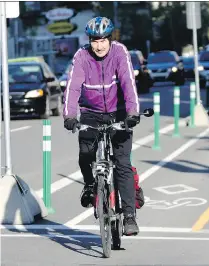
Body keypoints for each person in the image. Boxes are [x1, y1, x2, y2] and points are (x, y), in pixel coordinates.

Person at [62, 17, 140, 236]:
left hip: (119, 112)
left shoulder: (120, 52)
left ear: (110, 38)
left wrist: (133, 113)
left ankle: (129, 216)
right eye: (95, 40)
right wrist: (69, 116)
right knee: (85, 153)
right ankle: (89, 184)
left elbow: (128, 83)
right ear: (90, 40)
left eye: (104, 39)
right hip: (91, 113)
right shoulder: (81, 56)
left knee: (123, 164)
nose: (100, 45)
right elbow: (73, 87)